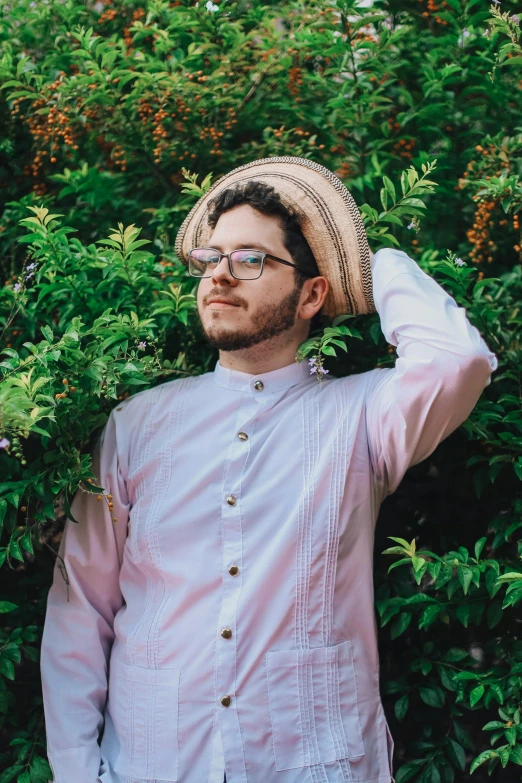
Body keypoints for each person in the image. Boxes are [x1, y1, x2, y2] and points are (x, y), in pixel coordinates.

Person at [40, 158, 497, 783]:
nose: (220, 276)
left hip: (314, 763)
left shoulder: (365, 416)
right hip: (153, 762)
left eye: (250, 259)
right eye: (211, 258)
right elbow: (80, 609)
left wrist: (365, 260)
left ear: (312, 294)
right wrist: (74, 772)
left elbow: (458, 360)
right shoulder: (136, 426)